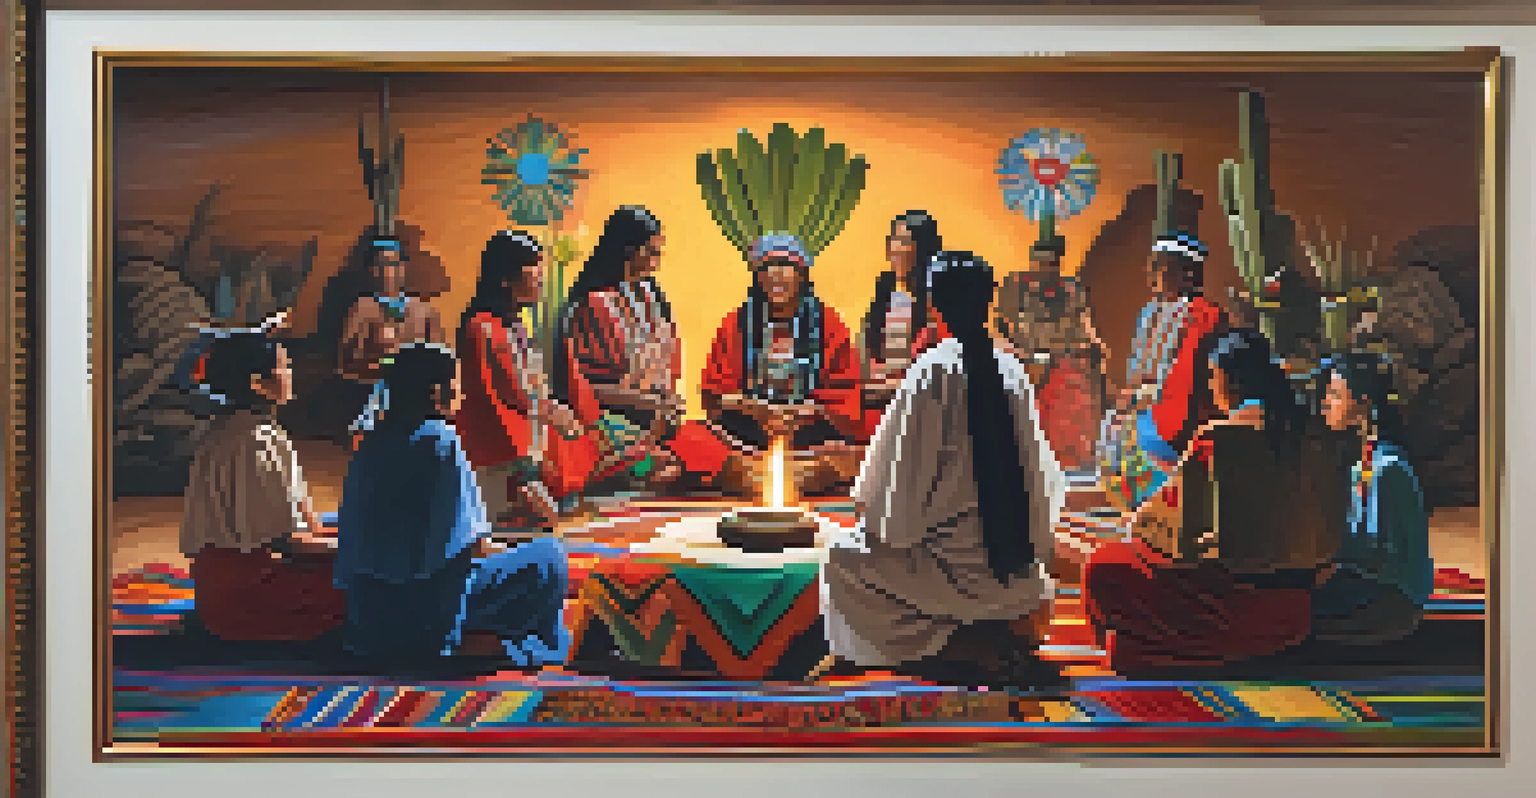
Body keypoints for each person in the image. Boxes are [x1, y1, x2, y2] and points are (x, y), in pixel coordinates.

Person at [817, 251, 1066, 687]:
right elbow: (1041, 482)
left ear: (933, 306)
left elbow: (896, 516)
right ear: (989, 302)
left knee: (841, 560)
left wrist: (869, 512)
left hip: (951, 572)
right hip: (1019, 581)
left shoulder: (931, 373)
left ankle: (958, 646)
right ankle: (998, 629)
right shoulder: (1012, 370)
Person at [1083, 330, 1315, 672]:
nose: (1210, 385)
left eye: (1212, 376)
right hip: (1298, 606)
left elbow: (1178, 538)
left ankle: (1175, 650)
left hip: (1231, 605)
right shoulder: (1317, 437)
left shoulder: (1218, 439)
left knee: (1105, 567)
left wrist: (1139, 523)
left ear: (1229, 380)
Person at [334, 342, 570, 665]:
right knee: (549, 557)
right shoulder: (442, 441)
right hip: (432, 615)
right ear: (437, 391)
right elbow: (470, 549)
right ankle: (527, 648)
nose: (462, 391)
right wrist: (524, 537)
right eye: (457, 383)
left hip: (371, 616)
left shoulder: (371, 442)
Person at [179, 330, 346, 642]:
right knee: (374, 583)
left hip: (217, 590)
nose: (291, 373)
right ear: (258, 383)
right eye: (284, 367)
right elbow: (288, 542)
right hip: (249, 593)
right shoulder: (256, 442)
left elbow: (305, 527)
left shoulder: (225, 430)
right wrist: (357, 551)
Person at [669, 234, 863, 494]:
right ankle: (795, 476)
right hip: (748, 434)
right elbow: (715, 397)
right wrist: (753, 408)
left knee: (868, 440)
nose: (776, 275)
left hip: (809, 434)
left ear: (802, 276)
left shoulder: (829, 325)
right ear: (757, 277)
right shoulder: (735, 324)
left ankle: (751, 477)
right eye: (767, 267)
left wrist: (803, 412)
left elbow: (846, 395)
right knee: (686, 434)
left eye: (786, 266)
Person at [456, 231, 606, 526]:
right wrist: (551, 410)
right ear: (505, 277)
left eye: (540, 266)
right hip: (499, 425)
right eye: (531, 266)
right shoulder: (484, 326)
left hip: (527, 414)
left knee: (581, 439)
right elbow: (511, 391)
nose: (540, 276)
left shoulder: (515, 324)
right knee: (564, 443)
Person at [553, 206, 685, 489]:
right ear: (628, 251)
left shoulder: (651, 295)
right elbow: (584, 386)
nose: (656, 260)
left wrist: (666, 401)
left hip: (657, 420)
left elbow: (667, 363)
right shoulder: (594, 304)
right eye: (650, 251)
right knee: (666, 469)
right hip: (609, 423)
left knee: (701, 454)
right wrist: (647, 402)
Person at [1098, 232, 1229, 509]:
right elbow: (1139, 365)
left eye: (1162, 267)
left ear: (1188, 274)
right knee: (1114, 428)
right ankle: (1135, 512)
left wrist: (1143, 399)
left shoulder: (1204, 314)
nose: (1152, 274)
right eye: (1152, 266)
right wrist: (1130, 395)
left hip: (1181, 412)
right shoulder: (1150, 312)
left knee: (1139, 439)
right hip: (1147, 403)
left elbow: (1188, 376)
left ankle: (1160, 512)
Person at [1312, 350, 1432, 645]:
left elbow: (1383, 559)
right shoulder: (1364, 461)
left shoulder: (1386, 469)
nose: (1326, 402)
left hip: (1389, 599)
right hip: (1370, 585)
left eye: (1336, 394)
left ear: (1362, 404)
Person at [995, 237, 1108, 472]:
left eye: (1051, 263)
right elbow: (1000, 323)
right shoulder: (1016, 286)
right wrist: (1011, 348)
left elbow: (1084, 320)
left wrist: (1094, 341)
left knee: (1065, 419)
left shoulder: (1070, 289)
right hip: (1025, 361)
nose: (1045, 268)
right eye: (1040, 262)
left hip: (1062, 363)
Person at [335, 231, 447, 447]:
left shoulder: (423, 310)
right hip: (376, 403)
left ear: (404, 267)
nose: (388, 272)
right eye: (380, 264)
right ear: (370, 270)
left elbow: (440, 361)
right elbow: (345, 364)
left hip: (420, 403)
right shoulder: (363, 308)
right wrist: (388, 367)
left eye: (395, 263)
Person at [858, 211, 945, 439]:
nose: (895, 249)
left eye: (904, 242)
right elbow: (866, 363)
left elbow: (944, 374)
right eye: (892, 241)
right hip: (876, 418)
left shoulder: (939, 306)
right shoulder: (884, 299)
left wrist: (889, 387)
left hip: (919, 417)